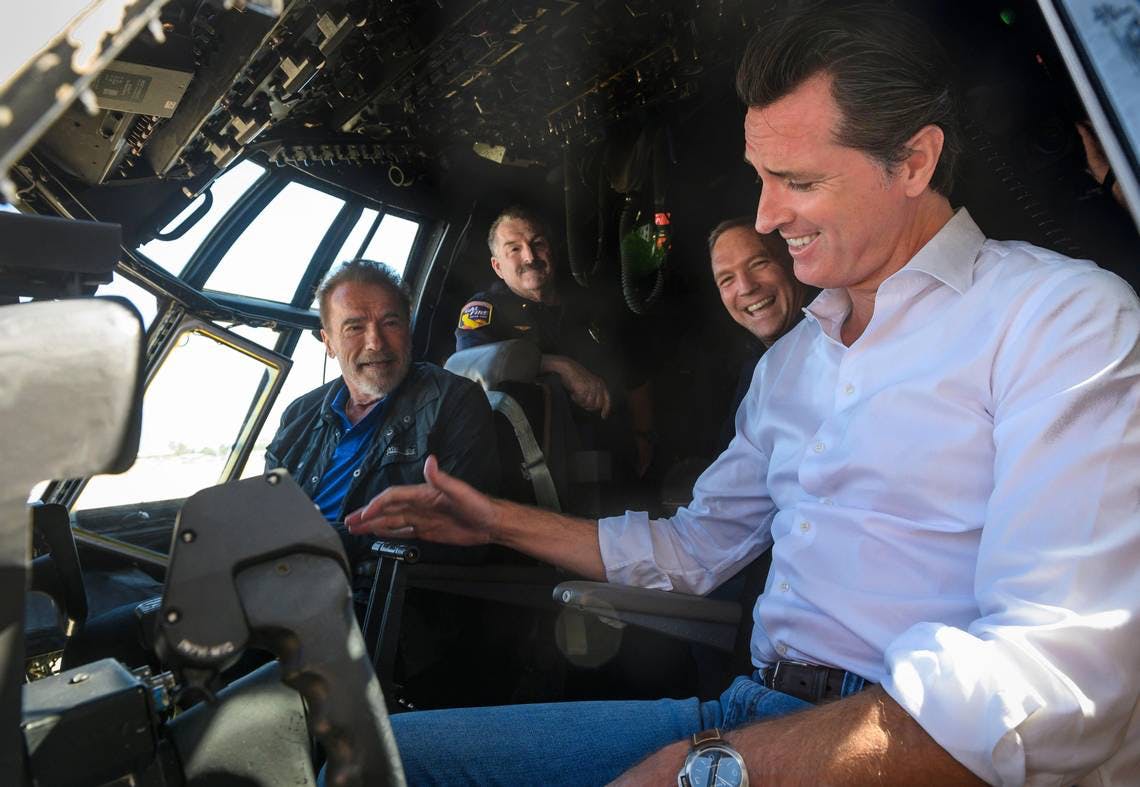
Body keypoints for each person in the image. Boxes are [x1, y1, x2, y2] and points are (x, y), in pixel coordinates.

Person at [346, 4, 1140, 785]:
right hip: (745, 709)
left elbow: (1057, 673)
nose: (766, 214)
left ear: (913, 163)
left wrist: (715, 770)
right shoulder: (788, 365)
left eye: (798, 181)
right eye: (761, 177)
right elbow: (693, 550)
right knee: (378, 757)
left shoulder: (1060, 317)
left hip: (903, 742)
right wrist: (494, 519)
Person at [266, 258, 499, 567]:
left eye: (390, 323)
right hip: (285, 575)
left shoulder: (453, 402)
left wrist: (326, 542)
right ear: (329, 342)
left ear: (408, 329)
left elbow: (466, 533)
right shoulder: (299, 414)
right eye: (354, 327)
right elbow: (268, 514)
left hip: (378, 589)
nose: (375, 342)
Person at [455, 205, 655, 475]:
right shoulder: (485, 310)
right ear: (498, 266)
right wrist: (559, 365)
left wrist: (643, 436)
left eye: (537, 243)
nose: (530, 256)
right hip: (542, 469)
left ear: (551, 250)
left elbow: (634, 373)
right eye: (514, 249)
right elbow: (470, 367)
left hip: (617, 451)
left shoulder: (588, 302)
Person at [708, 218, 813, 448]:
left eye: (758, 263)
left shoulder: (837, 342)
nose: (746, 287)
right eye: (727, 279)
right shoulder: (753, 365)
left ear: (792, 260)